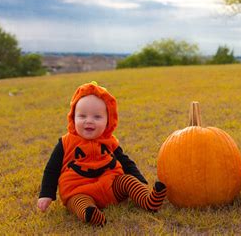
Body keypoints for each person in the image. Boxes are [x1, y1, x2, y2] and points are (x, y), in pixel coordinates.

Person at [37, 81, 166, 226]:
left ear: (108, 121)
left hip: (111, 185)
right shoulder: (65, 143)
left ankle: (148, 200)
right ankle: (91, 214)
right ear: (73, 117)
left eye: (97, 117)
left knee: (128, 181)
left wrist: (139, 181)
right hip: (79, 189)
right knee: (78, 202)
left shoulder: (109, 141)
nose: (89, 121)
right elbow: (51, 170)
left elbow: (126, 162)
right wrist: (46, 194)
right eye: (82, 116)